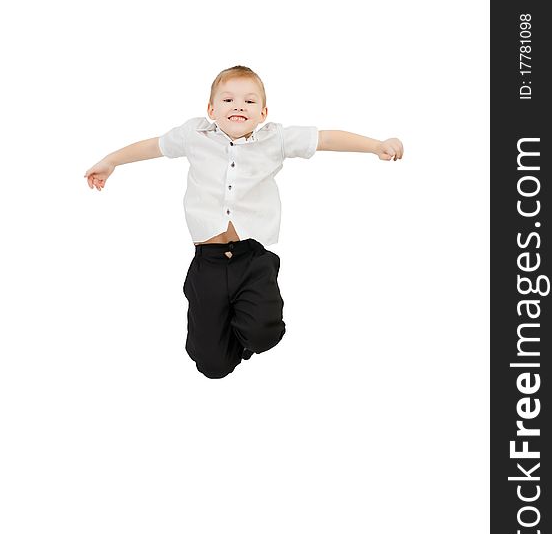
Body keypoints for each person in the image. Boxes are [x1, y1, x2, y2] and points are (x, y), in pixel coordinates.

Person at [84, 65, 404, 379]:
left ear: (263, 113)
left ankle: (249, 319)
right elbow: (150, 146)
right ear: (211, 108)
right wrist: (110, 161)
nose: (239, 105)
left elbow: (326, 139)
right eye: (228, 100)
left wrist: (375, 145)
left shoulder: (275, 138)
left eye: (249, 101)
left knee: (264, 334)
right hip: (207, 261)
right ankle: (218, 330)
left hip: (251, 258)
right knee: (212, 367)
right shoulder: (193, 134)